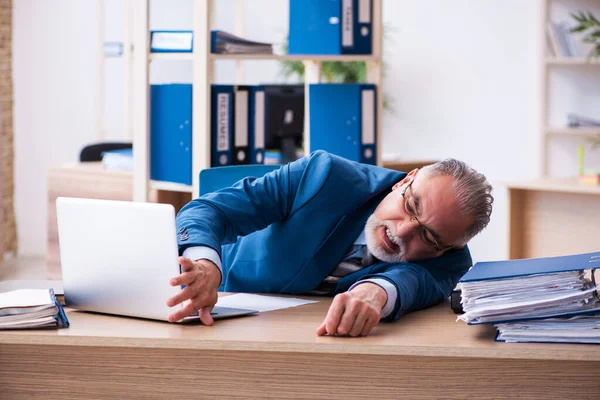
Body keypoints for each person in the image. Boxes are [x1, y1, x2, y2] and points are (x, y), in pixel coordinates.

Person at [167, 150, 493, 337]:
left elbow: (411, 282)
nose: (403, 231)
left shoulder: (451, 262)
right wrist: (206, 265)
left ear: (446, 247)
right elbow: (209, 210)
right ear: (406, 179)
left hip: (313, 344)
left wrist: (377, 291)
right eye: (411, 206)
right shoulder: (324, 176)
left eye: (428, 236)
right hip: (221, 311)